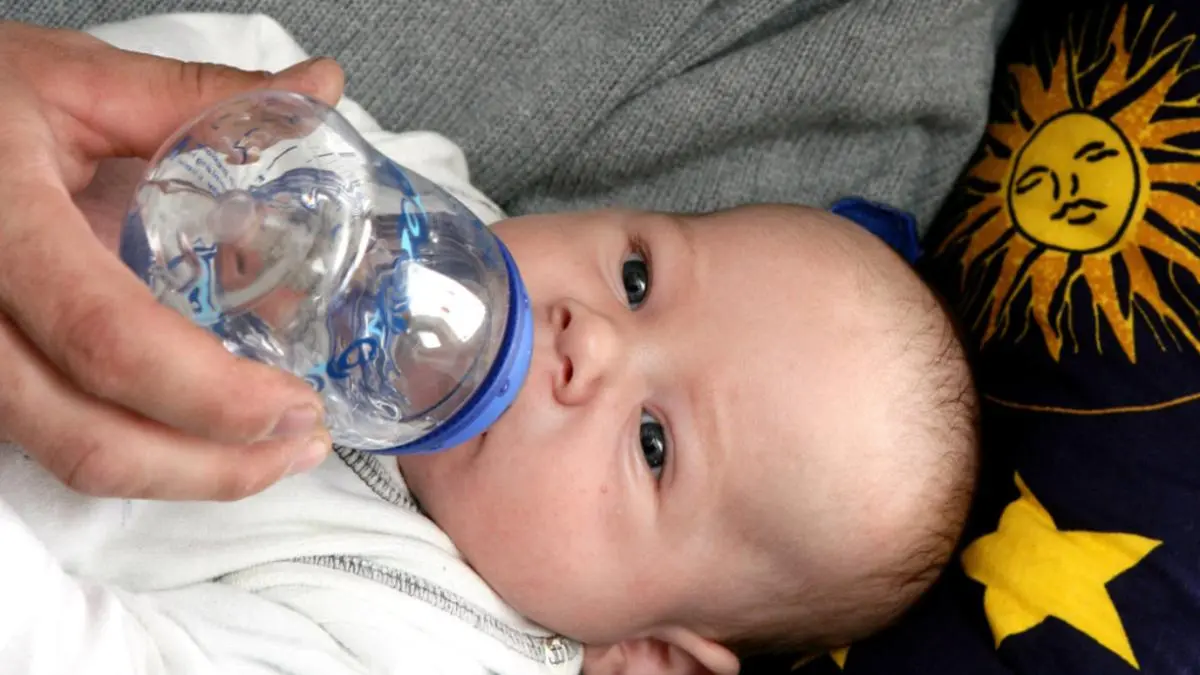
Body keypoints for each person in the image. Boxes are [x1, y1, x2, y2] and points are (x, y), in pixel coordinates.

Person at [0, 14, 978, 675]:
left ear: (647, 658)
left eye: (653, 444)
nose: (591, 336)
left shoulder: (426, 640)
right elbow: (236, 65)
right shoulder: (427, 204)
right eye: (637, 279)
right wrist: (206, 162)